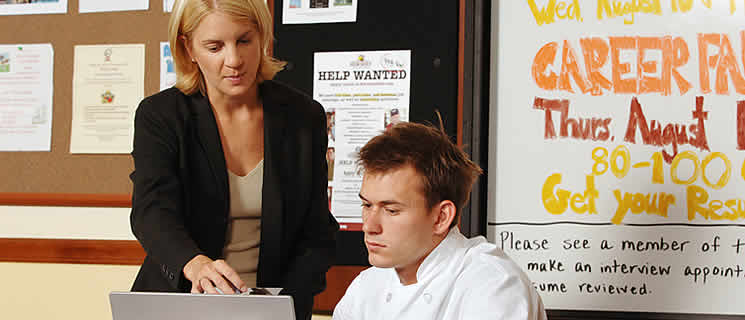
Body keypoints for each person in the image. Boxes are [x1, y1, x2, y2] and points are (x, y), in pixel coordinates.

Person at [128, 1, 339, 319]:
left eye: (244, 41)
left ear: (263, 37)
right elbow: (151, 211)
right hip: (179, 303)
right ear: (188, 48)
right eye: (214, 47)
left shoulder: (302, 117)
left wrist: (283, 305)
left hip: (272, 305)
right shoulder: (160, 116)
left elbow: (316, 230)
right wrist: (195, 264)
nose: (234, 60)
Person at [333, 121, 546, 320]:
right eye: (367, 205)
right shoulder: (365, 289)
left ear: (441, 217)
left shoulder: (494, 285)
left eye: (391, 210)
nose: (369, 226)